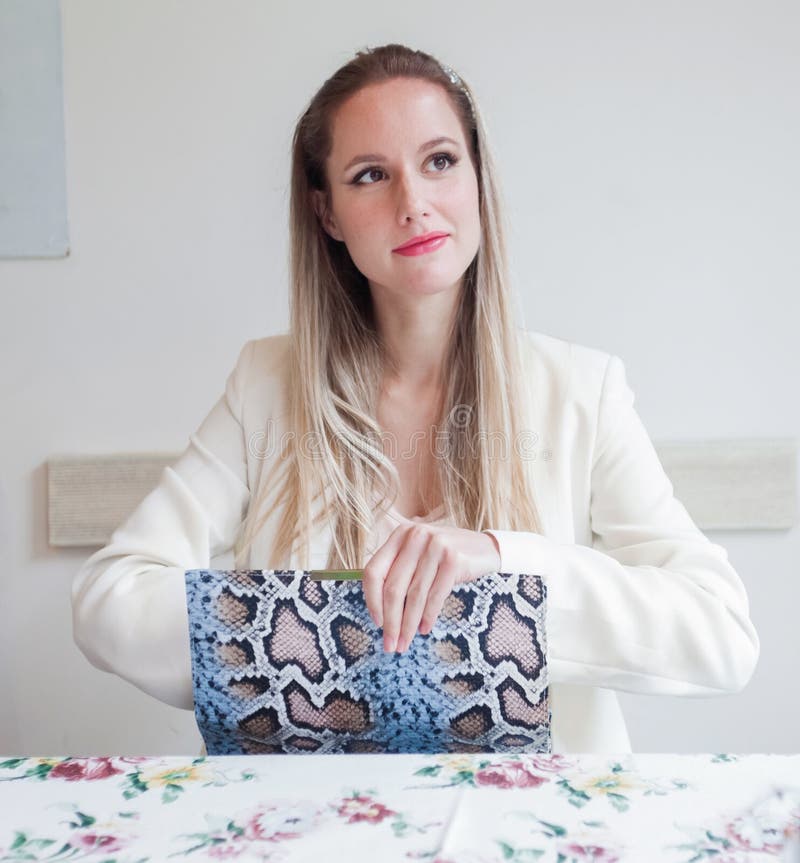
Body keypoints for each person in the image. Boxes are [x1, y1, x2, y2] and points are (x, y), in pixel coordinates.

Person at [71, 43, 759, 753]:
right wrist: (310, 629)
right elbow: (108, 602)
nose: (414, 204)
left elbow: (720, 634)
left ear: (478, 178)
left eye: (439, 161)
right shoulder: (264, 387)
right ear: (328, 212)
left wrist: (505, 568)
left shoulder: (583, 390)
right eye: (371, 175)